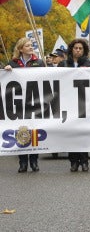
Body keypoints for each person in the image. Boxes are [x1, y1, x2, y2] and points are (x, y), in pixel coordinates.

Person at [4, 37, 45, 173]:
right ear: (21, 49)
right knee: (21, 130)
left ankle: (34, 160)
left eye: (31, 45)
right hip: (19, 103)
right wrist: (6, 70)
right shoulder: (13, 63)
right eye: (27, 46)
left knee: (33, 130)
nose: (31, 47)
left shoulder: (38, 62)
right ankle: (22, 162)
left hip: (34, 102)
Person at [58, 38, 90, 172]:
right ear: (71, 49)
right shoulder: (63, 64)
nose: (78, 50)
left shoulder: (89, 64)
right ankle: (73, 162)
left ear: (84, 51)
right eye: (75, 48)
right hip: (67, 102)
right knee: (71, 132)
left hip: (83, 102)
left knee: (83, 132)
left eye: (80, 48)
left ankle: (84, 161)